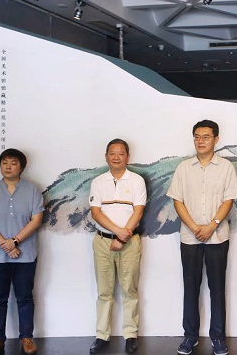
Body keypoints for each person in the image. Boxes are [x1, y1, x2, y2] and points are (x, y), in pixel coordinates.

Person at [167, 119, 237, 355]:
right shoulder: (183, 168)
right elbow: (177, 200)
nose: (201, 141)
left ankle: (218, 337)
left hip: (217, 237)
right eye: (197, 137)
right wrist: (194, 227)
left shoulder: (226, 167)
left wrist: (211, 226)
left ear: (216, 139)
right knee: (190, 288)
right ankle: (190, 336)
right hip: (189, 238)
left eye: (206, 137)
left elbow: (228, 200)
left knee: (217, 288)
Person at [0, 149, 45, 355]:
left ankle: (26, 337)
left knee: (25, 298)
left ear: (21, 167)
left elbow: (36, 220)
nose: (8, 166)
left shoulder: (32, 190)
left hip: (25, 255)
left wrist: (15, 241)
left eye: (13, 163)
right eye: (4, 162)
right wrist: (5, 244)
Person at [88, 139, 147, 354]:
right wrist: (117, 232)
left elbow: (138, 212)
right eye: (112, 153)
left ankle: (130, 335)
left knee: (129, 289)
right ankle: (102, 335)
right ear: (106, 156)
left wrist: (122, 238)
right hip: (103, 242)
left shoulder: (137, 181)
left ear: (127, 157)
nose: (116, 157)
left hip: (130, 242)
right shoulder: (98, 182)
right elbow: (96, 213)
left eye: (121, 153)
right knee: (104, 291)